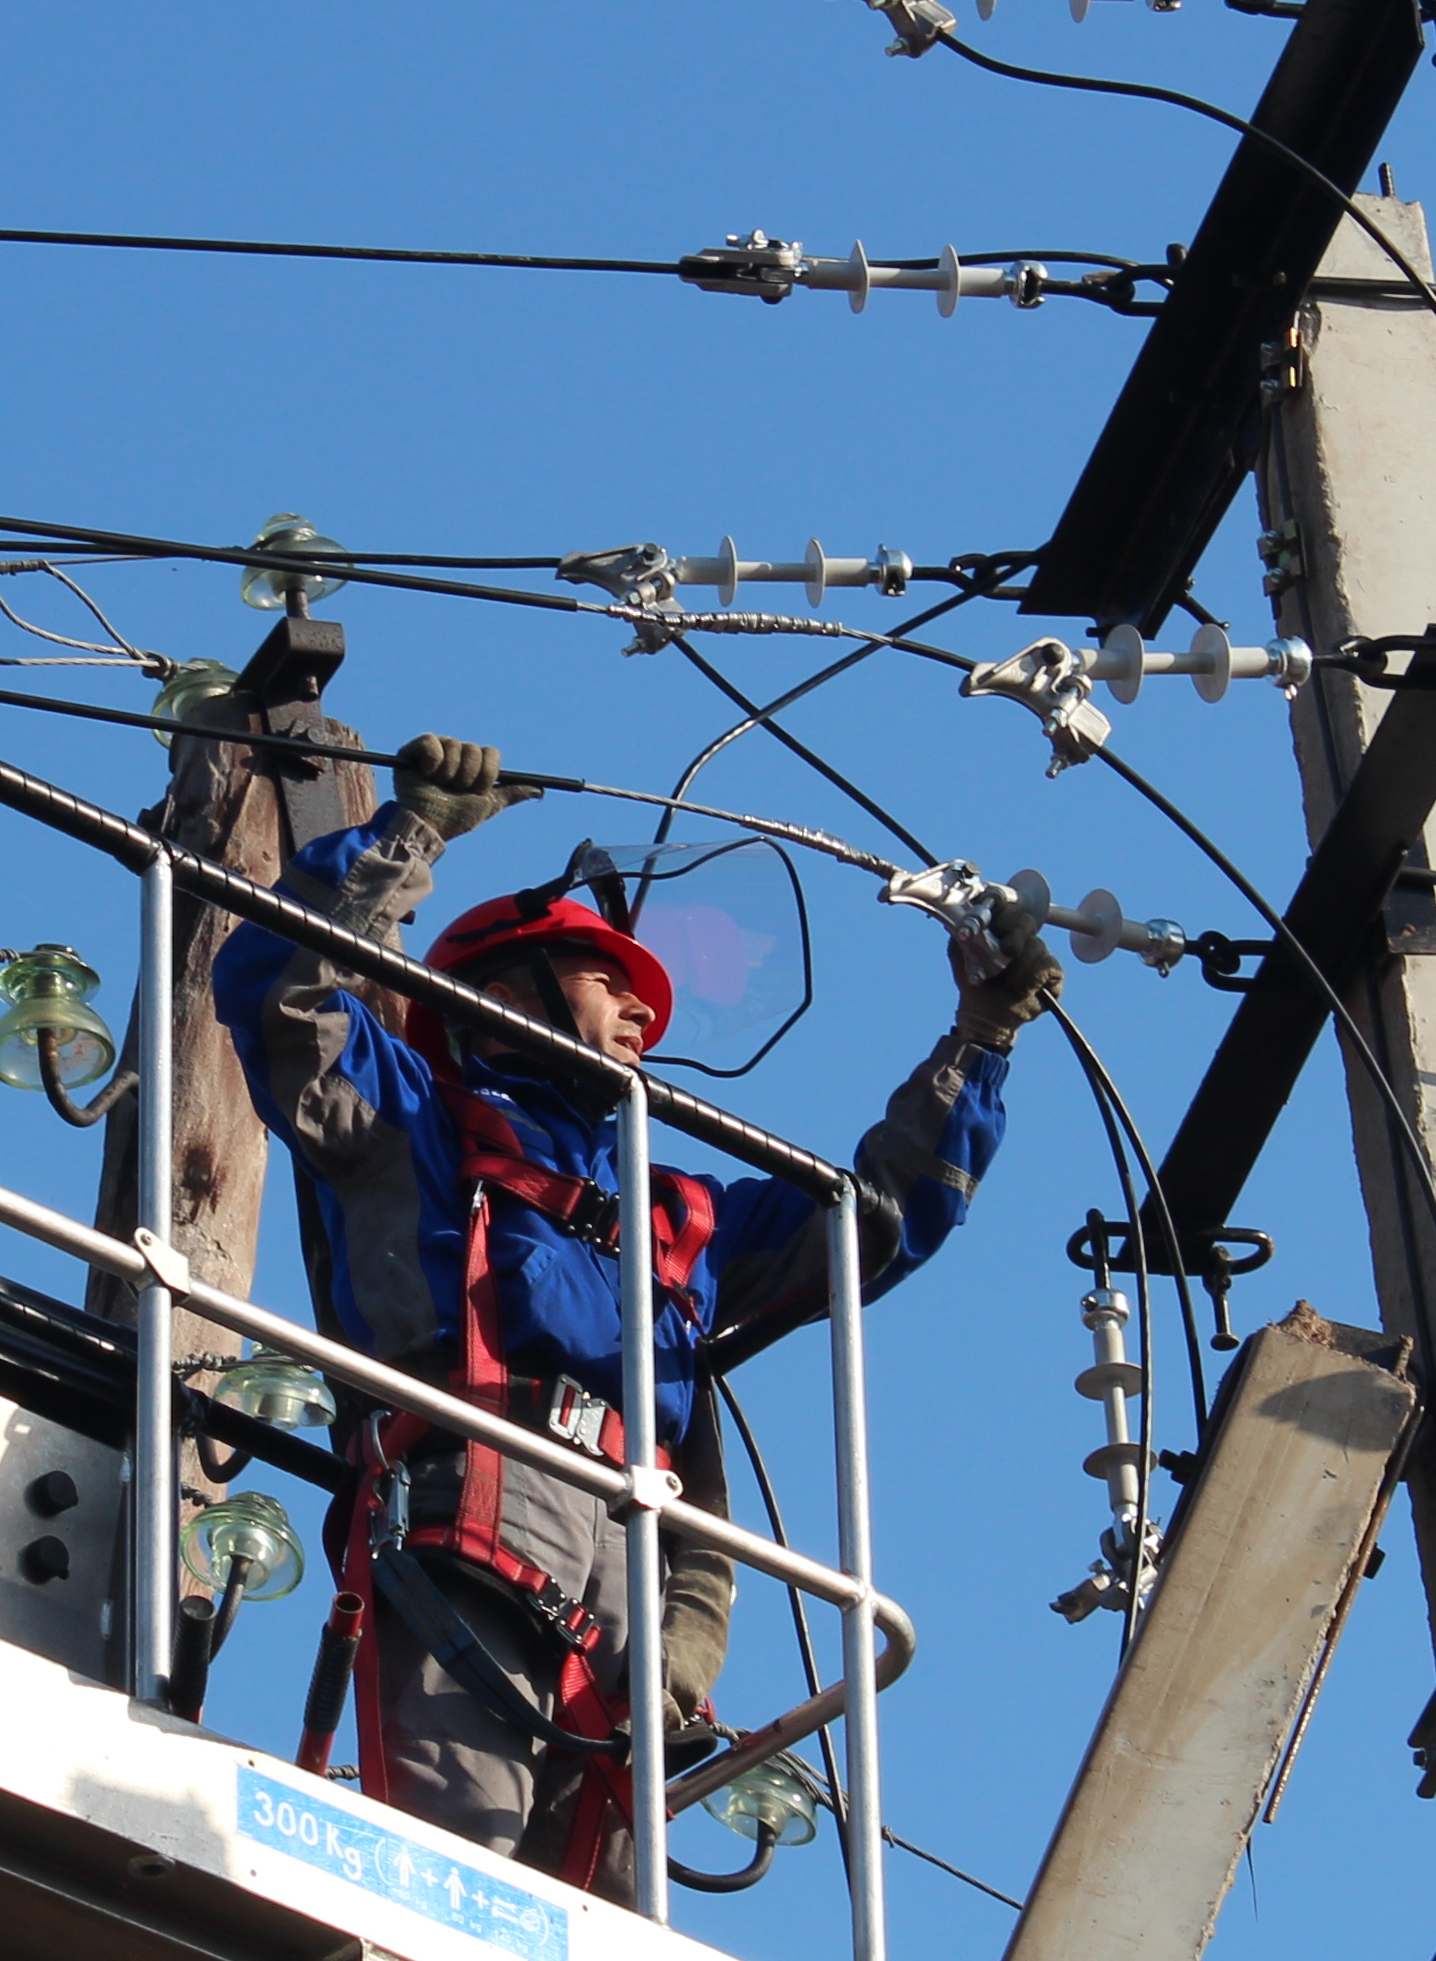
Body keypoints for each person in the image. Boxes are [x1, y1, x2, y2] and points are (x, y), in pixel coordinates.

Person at [212, 732, 1046, 1888]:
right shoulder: (405, 1123)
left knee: (605, 1921)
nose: (643, 1012)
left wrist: (981, 1040)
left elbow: (881, 1224)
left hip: (638, 1560)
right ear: (497, 993)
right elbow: (277, 994)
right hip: (473, 1510)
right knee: (472, 1873)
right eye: (609, 980)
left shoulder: (678, 1211)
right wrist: (411, 837)